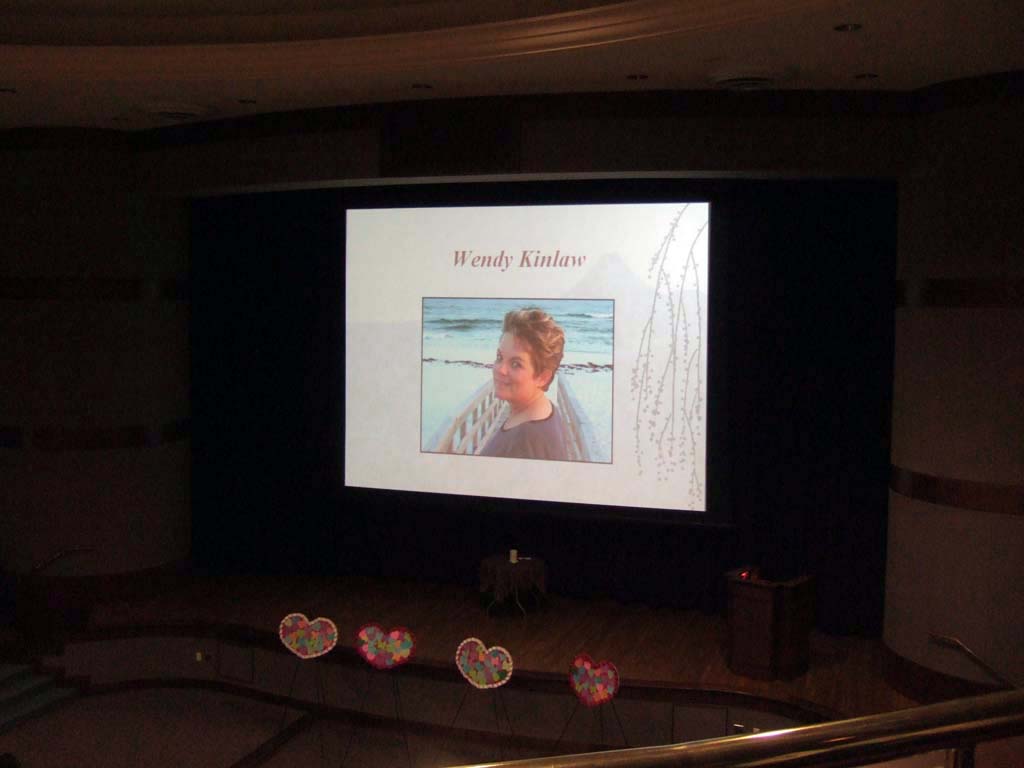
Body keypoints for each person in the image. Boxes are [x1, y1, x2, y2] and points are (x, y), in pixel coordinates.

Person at [479, 307, 569, 460]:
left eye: (516, 364)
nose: (500, 369)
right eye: (499, 357)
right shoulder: (541, 412)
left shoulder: (528, 441)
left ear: (542, 377)